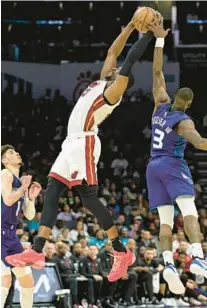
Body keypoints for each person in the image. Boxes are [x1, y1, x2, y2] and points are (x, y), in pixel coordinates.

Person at [6, 12, 159, 282]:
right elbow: (114, 51)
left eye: (115, 72)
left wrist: (148, 34)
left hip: (86, 141)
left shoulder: (115, 91)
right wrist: (130, 28)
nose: (111, 68)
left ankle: (121, 252)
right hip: (71, 143)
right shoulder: (101, 82)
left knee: (88, 198)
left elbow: (129, 60)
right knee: (52, 189)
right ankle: (37, 250)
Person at [146, 20, 207, 294]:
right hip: (172, 164)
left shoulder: (160, 105)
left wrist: (159, 39)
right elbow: (201, 144)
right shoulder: (184, 121)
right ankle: (198, 257)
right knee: (190, 212)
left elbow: (157, 70)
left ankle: (168, 264)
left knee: (166, 221)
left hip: (152, 166)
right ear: (190, 104)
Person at [1, 144, 41, 308]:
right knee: (4, 282)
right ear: (4, 160)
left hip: (11, 236)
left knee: (28, 283)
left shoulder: (20, 182)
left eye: (16, 151)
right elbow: (8, 200)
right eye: (11, 152)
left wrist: (30, 199)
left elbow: (30, 215)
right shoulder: (5, 174)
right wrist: (23, 188)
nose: (16, 153)